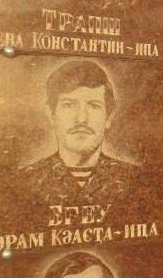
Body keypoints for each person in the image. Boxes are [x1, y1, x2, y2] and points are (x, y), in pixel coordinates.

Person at [20, 60, 139, 205]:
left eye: (94, 106)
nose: (82, 119)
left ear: (109, 116)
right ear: (51, 115)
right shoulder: (24, 181)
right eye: (69, 105)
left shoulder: (137, 180)